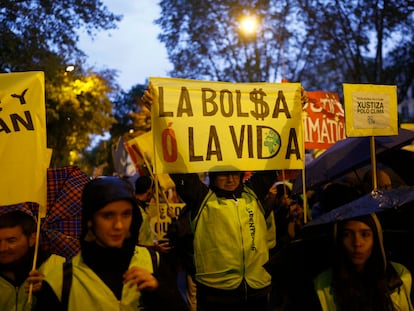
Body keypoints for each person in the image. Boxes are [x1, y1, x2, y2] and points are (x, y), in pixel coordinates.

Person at [35, 176, 187, 310]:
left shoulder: (153, 262)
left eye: (126, 214)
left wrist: (157, 290)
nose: (119, 225)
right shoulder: (60, 282)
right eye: (108, 215)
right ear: (90, 220)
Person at [169, 170, 277, 311]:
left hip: (257, 289)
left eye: (235, 174)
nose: (230, 179)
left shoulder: (252, 193)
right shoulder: (201, 197)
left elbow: (271, 164)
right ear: (213, 176)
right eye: (223, 175)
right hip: (216, 292)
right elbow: (180, 174)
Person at [313, 213, 413, 311]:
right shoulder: (323, 283)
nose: (357, 243)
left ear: (375, 239)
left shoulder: (398, 274)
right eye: (347, 234)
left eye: (365, 234)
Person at [0, 208, 65, 310]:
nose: (2, 248)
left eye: (11, 241)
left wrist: (49, 292)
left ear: (32, 239)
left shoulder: (57, 267)